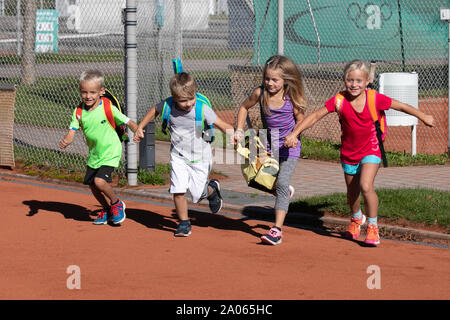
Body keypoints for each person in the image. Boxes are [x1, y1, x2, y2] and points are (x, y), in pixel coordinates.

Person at [284, 59, 435, 246]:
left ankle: (373, 227)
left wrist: (423, 116)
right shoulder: (339, 100)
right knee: (352, 193)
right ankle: (356, 219)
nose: (354, 85)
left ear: (366, 82)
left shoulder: (374, 98)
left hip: (372, 148)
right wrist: (295, 133)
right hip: (349, 152)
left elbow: (402, 106)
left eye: (358, 81)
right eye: (350, 80)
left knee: (365, 186)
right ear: (344, 80)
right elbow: (315, 116)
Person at [134, 72, 234, 237]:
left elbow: (222, 124)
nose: (188, 104)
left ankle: (212, 189)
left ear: (195, 93)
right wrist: (140, 127)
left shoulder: (202, 109)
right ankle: (184, 223)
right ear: (174, 98)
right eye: (182, 100)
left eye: (191, 98)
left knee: (197, 194)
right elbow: (154, 110)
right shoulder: (168, 106)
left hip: (201, 157)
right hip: (178, 155)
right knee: (178, 189)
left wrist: (233, 134)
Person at [234, 55, 307, 245]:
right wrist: (239, 130)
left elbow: (301, 120)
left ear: (285, 80)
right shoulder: (260, 93)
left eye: (275, 80)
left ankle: (276, 230)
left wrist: (294, 135)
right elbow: (243, 108)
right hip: (268, 145)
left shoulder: (291, 97)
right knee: (255, 179)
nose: (270, 83)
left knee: (282, 182)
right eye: (267, 78)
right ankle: (283, 192)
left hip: (289, 148)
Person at [59, 69, 138, 225]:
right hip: (95, 154)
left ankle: (116, 203)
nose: (88, 96)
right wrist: (68, 139)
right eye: (84, 92)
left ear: (101, 91)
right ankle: (106, 209)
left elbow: (127, 121)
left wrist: (137, 129)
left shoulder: (107, 107)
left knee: (100, 181)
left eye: (92, 92)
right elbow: (72, 130)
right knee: (92, 185)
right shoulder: (79, 111)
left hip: (111, 150)